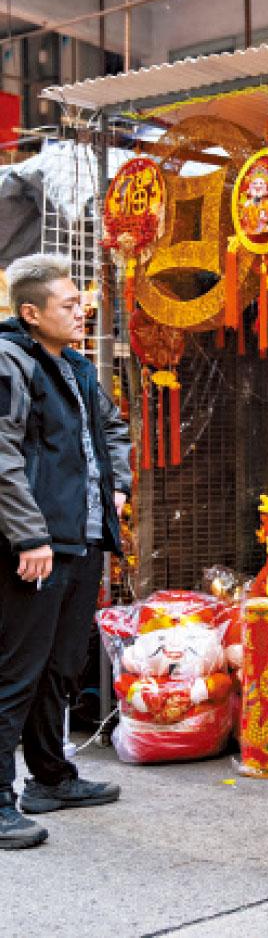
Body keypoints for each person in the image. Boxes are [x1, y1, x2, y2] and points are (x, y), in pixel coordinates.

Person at [0, 254, 131, 850]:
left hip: (81, 539)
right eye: (69, 305)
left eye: (82, 303)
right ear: (31, 313)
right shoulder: (11, 362)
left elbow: (112, 428)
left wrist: (117, 485)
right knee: (16, 672)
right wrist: (29, 534)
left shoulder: (76, 366)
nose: (82, 313)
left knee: (61, 666)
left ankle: (50, 778)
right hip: (35, 545)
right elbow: (3, 454)